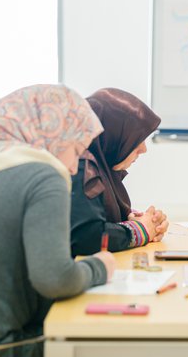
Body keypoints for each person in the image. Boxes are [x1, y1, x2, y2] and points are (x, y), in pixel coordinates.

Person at [0, 85, 116, 352]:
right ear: (56, 135)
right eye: (76, 151)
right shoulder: (43, 174)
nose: (75, 168)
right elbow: (55, 279)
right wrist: (101, 266)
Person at [70, 88, 168, 257]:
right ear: (112, 136)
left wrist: (137, 221)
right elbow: (87, 237)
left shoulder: (98, 167)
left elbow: (98, 219)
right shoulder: (81, 168)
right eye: (137, 139)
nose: (143, 149)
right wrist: (140, 230)